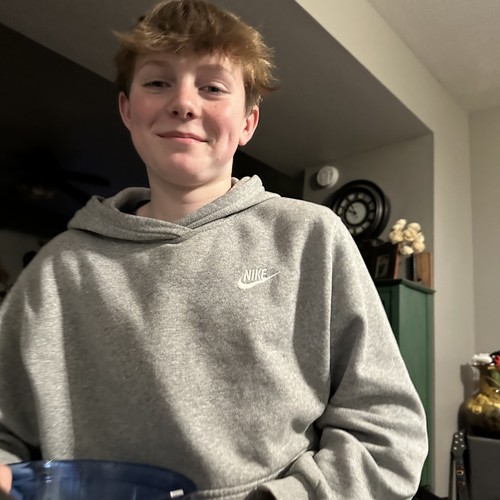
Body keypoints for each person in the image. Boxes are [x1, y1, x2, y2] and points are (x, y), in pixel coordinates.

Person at [0, 0, 428, 498]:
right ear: (127, 110)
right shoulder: (57, 268)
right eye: (157, 82)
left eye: (212, 87)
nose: (184, 103)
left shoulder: (311, 237)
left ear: (248, 122)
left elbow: (388, 435)